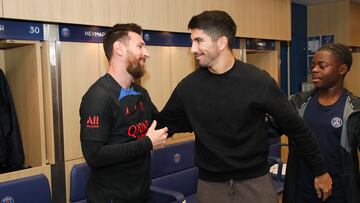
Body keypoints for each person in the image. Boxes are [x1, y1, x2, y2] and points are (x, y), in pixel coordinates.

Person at [155, 10, 332, 203]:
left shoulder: (258, 81)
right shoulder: (188, 87)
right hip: (210, 187)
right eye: (192, 41)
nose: (192, 49)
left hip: (255, 184)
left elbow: (297, 128)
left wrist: (320, 171)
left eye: (199, 41)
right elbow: (164, 125)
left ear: (221, 43)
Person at [79, 23, 168, 203]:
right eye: (140, 46)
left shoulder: (140, 93)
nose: (147, 53)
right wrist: (147, 143)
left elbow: (160, 125)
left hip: (140, 195)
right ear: (118, 49)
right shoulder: (98, 97)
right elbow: (94, 155)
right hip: (110, 198)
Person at [284, 43, 360, 203]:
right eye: (313, 65)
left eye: (322, 65)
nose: (314, 70)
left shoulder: (355, 111)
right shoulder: (298, 103)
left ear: (342, 69)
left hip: (339, 196)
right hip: (300, 194)